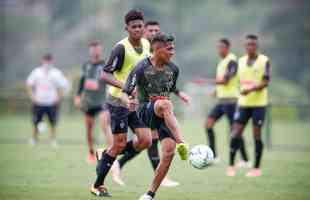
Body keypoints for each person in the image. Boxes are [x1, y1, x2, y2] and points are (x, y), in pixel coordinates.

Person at [111, 20, 189, 187]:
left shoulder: (173, 68)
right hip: (143, 108)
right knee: (162, 112)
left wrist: (179, 93)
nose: (173, 52)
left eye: (156, 30)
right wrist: (128, 101)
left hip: (160, 110)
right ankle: (181, 142)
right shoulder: (140, 63)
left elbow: (170, 85)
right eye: (151, 30)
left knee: (163, 149)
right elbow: (125, 90)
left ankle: (149, 191)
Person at [90, 9, 153, 197]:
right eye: (133, 27)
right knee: (119, 144)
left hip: (136, 101)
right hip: (118, 101)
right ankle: (97, 185)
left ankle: (106, 153)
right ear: (127, 28)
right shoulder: (121, 48)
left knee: (145, 140)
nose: (138, 30)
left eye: (140, 26)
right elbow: (104, 74)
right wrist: (125, 85)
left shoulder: (147, 44)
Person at [227, 34, 271, 177]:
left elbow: (265, 82)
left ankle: (256, 168)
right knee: (235, 134)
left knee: (256, 136)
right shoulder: (240, 61)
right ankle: (231, 166)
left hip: (259, 104)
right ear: (244, 47)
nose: (250, 47)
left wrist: (250, 89)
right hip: (243, 104)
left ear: (256, 46)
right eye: (248, 45)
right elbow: (234, 80)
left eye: (253, 44)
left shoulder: (264, 61)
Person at [205, 38, 249, 166]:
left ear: (227, 48)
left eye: (221, 47)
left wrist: (207, 81)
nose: (219, 50)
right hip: (221, 101)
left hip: (232, 102)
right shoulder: (222, 62)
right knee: (208, 124)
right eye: (217, 47)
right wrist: (216, 91)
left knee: (235, 131)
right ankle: (214, 156)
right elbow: (221, 83)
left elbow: (226, 81)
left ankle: (245, 160)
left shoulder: (232, 61)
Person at [74, 41, 113, 164]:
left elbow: (112, 80)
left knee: (104, 124)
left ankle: (111, 153)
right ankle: (91, 153)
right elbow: (82, 82)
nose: (95, 51)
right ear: (90, 51)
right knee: (89, 129)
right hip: (89, 102)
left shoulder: (105, 64)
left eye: (97, 49)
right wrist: (77, 96)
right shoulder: (86, 65)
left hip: (102, 101)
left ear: (100, 51)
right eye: (93, 49)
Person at [26, 54, 69, 148]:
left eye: (49, 61)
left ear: (52, 62)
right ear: (42, 61)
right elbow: (29, 84)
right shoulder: (36, 72)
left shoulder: (56, 73)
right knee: (36, 122)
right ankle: (34, 139)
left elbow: (64, 86)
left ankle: (53, 140)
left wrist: (58, 98)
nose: (47, 63)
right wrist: (32, 97)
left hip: (51, 103)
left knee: (53, 123)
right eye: (46, 61)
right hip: (38, 102)